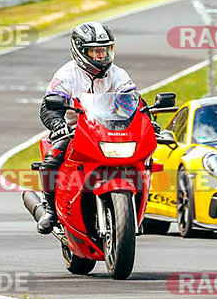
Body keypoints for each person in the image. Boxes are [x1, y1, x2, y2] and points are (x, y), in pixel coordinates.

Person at [34, 21, 140, 235]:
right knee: (52, 158)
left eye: (105, 50)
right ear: (81, 51)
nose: (101, 56)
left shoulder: (118, 74)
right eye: (95, 51)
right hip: (74, 130)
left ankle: (135, 209)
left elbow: (134, 101)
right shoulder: (66, 75)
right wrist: (58, 125)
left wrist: (146, 120)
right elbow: (48, 106)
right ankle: (50, 210)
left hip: (111, 131)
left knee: (144, 158)